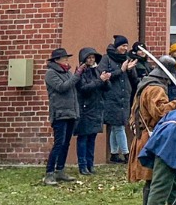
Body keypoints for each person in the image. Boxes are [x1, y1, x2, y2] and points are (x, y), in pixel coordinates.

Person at [128, 55, 176, 205]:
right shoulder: (155, 89)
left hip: (147, 137)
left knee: (157, 181)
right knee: (153, 181)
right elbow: (160, 112)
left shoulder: (145, 85)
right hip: (152, 139)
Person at [100, 35, 138, 164]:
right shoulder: (106, 59)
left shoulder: (126, 59)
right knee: (119, 126)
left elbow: (133, 79)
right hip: (112, 97)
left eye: (127, 46)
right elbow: (104, 76)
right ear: (117, 47)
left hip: (124, 97)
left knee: (116, 126)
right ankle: (127, 154)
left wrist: (130, 70)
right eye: (123, 46)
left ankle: (114, 154)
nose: (125, 48)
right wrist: (121, 70)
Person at [43, 47, 79, 185]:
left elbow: (73, 90)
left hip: (70, 113)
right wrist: (76, 75)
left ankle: (60, 170)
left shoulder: (67, 72)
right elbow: (62, 88)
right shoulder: (51, 73)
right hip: (59, 113)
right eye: (64, 58)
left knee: (66, 144)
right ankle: (49, 173)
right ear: (57, 60)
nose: (67, 60)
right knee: (59, 143)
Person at [74, 46, 107, 176]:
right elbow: (83, 88)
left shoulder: (97, 71)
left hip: (96, 108)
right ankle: (82, 165)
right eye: (88, 58)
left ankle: (90, 164)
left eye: (93, 58)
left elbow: (105, 88)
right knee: (83, 138)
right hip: (85, 108)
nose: (91, 60)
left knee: (92, 137)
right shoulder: (80, 72)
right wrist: (100, 81)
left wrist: (105, 80)